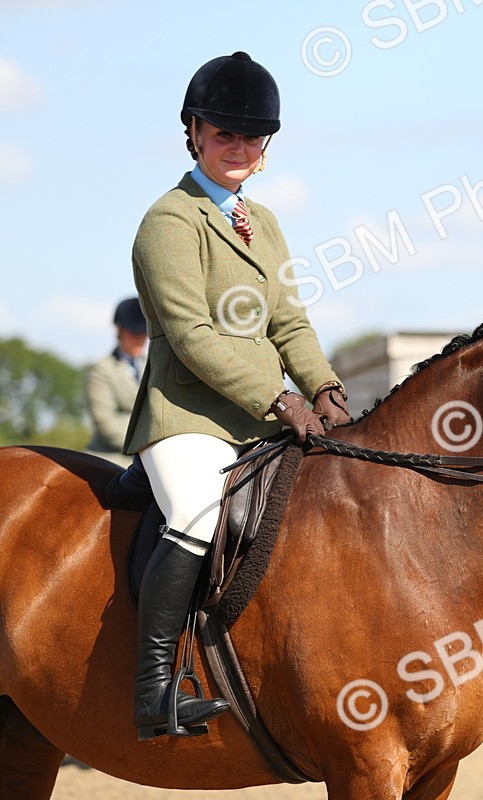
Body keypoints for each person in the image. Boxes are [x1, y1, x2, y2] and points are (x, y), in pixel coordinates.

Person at [122, 51, 352, 740]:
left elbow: (288, 321)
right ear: (194, 132)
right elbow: (192, 337)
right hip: (187, 416)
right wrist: (280, 399)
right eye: (225, 134)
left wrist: (325, 385)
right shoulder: (170, 222)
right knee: (197, 513)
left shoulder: (266, 222)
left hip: (259, 418)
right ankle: (152, 689)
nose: (240, 149)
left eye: (252, 138)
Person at [85, 298, 147, 467]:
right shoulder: (102, 369)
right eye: (133, 333)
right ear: (119, 330)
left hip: (150, 453)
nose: (139, 338)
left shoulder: (154, 365)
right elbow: (105, 422)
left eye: (142, 333)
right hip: (113, 455)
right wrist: (143, 444)